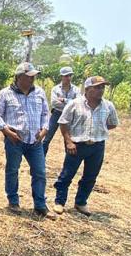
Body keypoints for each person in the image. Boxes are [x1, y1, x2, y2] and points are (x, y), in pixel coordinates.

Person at [0, 62, 55, 219]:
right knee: (12, 170)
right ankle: (13, 201)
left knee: (40, 172)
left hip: (35, 141)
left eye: (33, 76)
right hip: (15, 140)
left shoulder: (39, 92)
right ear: (19, 77)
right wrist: (6, 131)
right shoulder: (5, 94)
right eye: (29, 76)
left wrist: (44, 130)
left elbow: (45, 114)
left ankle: (40, 205)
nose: (32, 79)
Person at [51, 76, 119, 217]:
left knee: (90, 176)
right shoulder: (74, 104)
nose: (101, 90)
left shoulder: (108, 106)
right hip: (76, 145)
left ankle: (81, 202)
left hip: (97, 146)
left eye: (103, 87)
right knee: (67, 174)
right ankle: (60, 202)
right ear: (87, 89)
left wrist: (98, 131)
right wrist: (69, 142)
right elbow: (63, 123)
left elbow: (112, 123)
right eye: (97, 87)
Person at [43, 66, 80, 155]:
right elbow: (54, 103)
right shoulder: (55, 89)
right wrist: (71, 102)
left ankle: (68, 160)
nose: (68, 78)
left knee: (68, 139)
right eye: (66, 76)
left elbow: (78, 103)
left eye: (70, 75)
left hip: (70, 116)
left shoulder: (76, 89)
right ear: (61, 77)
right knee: (47, 138)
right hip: (57, 114)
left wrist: (64, 100)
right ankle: (41, 159)